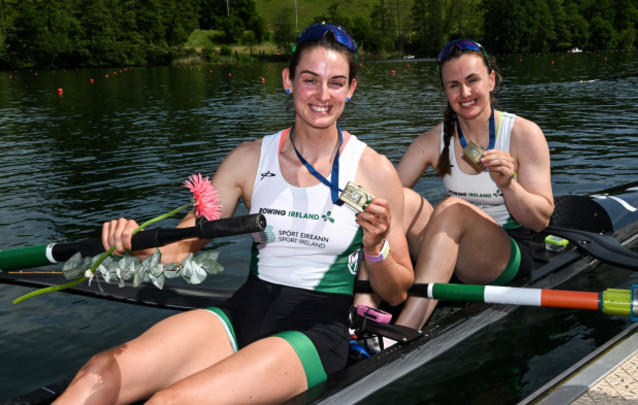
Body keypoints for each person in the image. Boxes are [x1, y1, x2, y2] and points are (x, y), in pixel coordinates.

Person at [54, 23, 413, 404]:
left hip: (317, 331)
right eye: (310, 80)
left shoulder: (374, 171)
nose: (323, 95)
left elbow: (396, 290)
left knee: (171, 402)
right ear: (288, 80)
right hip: (245, 311)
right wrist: (132, 241)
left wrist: (375, 247)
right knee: (102, 370)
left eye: (336, 83)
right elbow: (180, 248)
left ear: (351, 90)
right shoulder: (247, 160)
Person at [394, 39, 554, 330]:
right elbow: (386, 198)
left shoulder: (524, 134)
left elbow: (541, 221)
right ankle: (366, 305)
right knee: (399, 200)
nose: (464, 93)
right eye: (453, 85)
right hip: (453, 253)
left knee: (453, 208)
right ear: (445, 90)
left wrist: (509, 185)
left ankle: (404, 329)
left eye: (472, 80)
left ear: (491, 80)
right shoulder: (433, 140)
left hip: (507, 253)